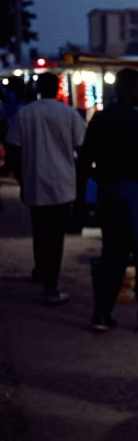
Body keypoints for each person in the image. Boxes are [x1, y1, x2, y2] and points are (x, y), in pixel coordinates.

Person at [79, 68, 138, 332]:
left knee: (113, 253)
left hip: (107, 192)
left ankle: (101, 314)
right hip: (135, 192)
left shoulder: (99, 119)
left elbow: (85, 159)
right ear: (130, 90)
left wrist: (81, 198)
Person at [5, 73, 88, 304]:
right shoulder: (69, 114)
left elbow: (12, 148)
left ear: (38, 88)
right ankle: (51, 285)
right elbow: (83, 148)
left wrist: (20, 176)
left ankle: (42, 273)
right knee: (56, 235)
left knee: (40, 232)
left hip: (35, 181)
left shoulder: (25, 113)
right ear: (58, 88)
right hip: (62, 184)